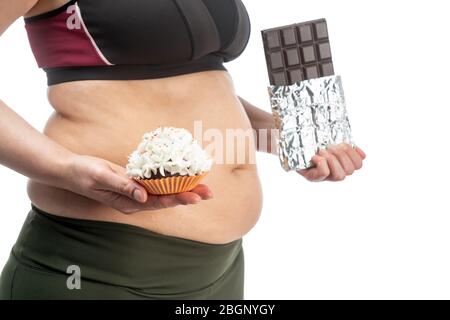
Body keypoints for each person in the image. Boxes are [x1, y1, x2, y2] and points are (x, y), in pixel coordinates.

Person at [0, 0, 366, 299]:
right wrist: (65, 167)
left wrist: (287, 135)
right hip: (97, 267)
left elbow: (185, 91)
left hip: (221, 272)